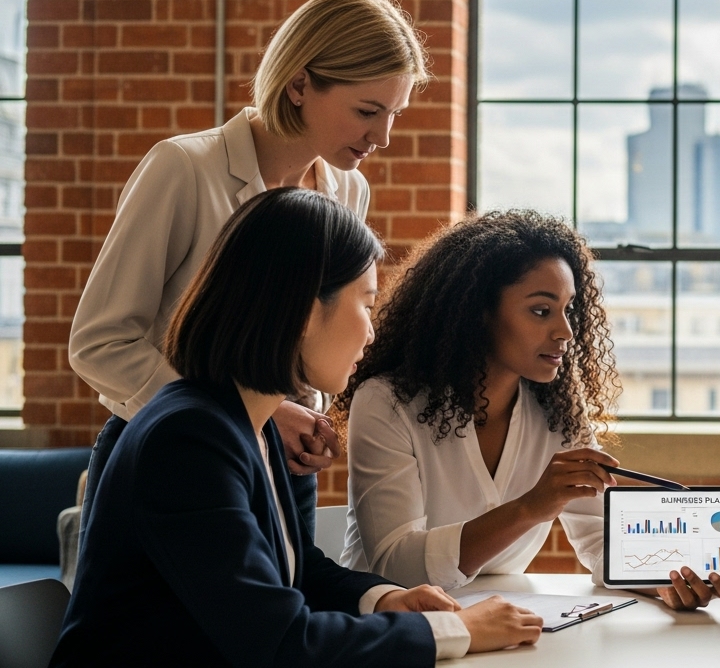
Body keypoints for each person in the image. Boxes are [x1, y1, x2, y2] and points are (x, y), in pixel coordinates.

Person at [52, 188, 543, 666]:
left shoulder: (248, 423)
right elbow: (280, 642)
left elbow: (296, 572)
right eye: (366, 304)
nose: (372, 331)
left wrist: (384, 599)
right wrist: (457, 630)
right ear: (308, 311)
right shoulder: (189, 440)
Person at [68, 0, 430, 538]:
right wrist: (248, 419)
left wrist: (310, 413)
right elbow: (100, 344)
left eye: (394, 114)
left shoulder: (348, 190)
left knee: (286, 609)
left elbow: (312, 328)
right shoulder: (183, 169)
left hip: (280, 463)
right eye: (367, 111)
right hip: (168, 456)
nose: (382, 136)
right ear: (299, 83)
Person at [341, 210, 720, 611]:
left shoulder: (557, 408)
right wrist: (529, 508)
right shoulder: (386, 403)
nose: (565, 331)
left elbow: (599, 536)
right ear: (477, 312)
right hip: (392, 634)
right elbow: (397, 568)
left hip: (501, 629)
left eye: (569, 310)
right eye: (542, 311)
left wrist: (661, 580)